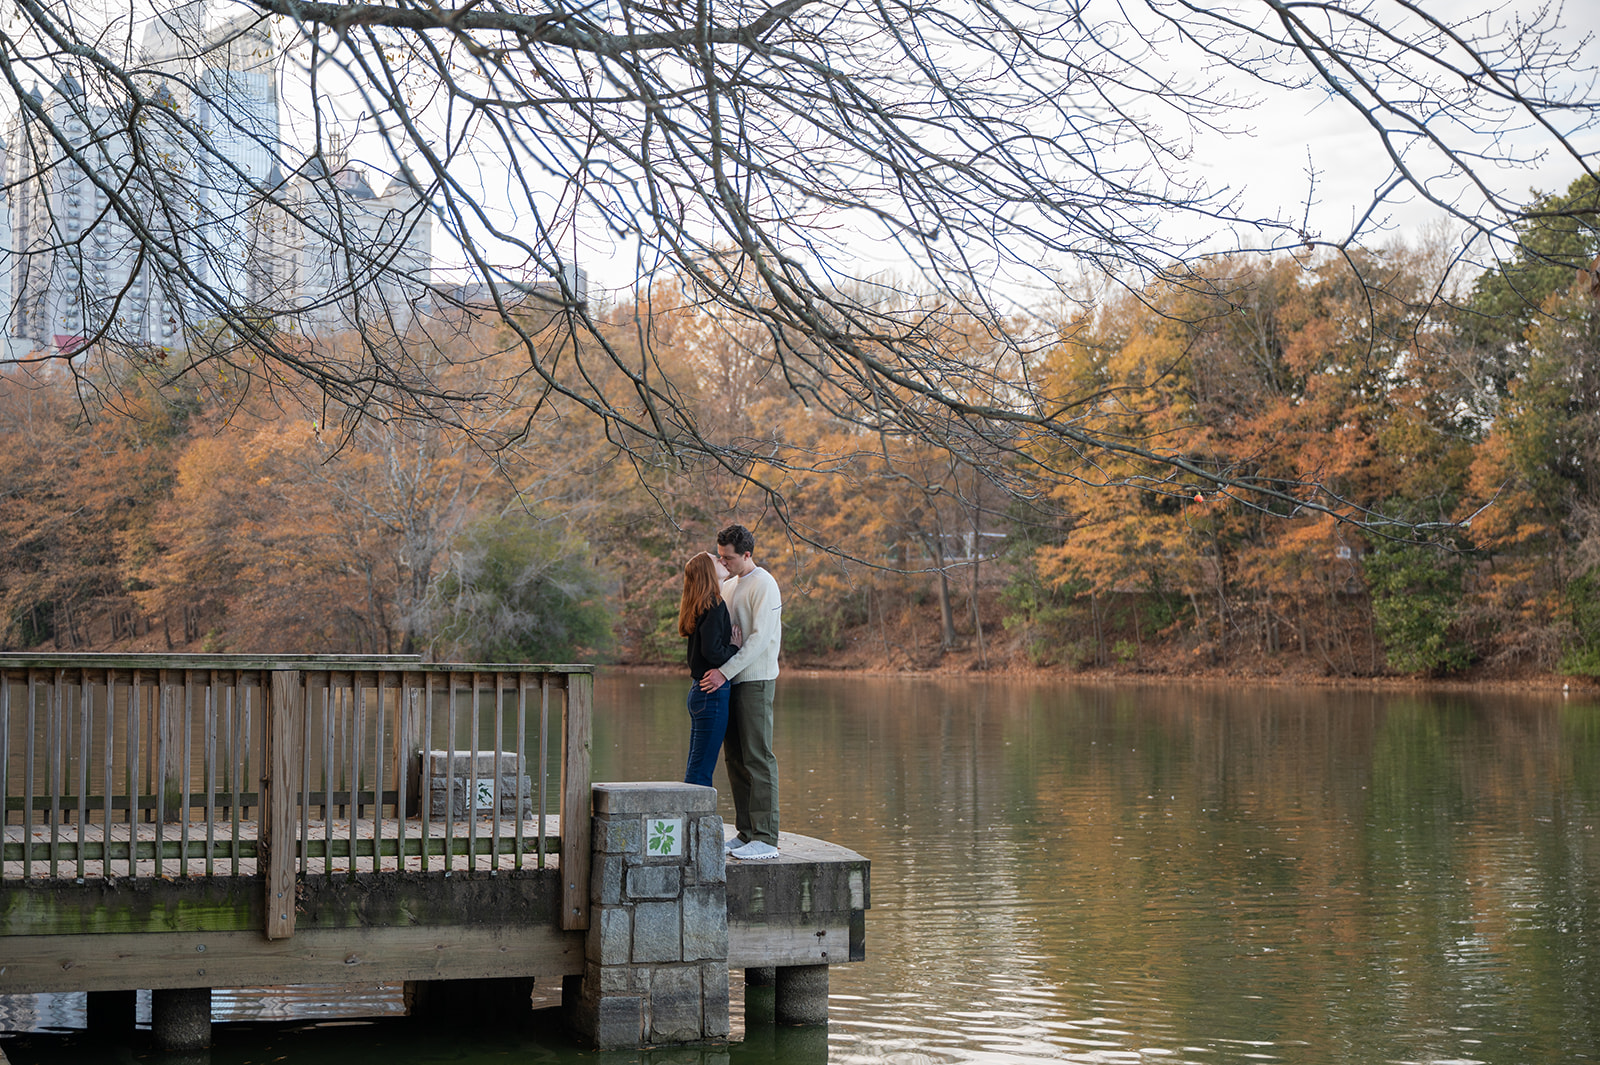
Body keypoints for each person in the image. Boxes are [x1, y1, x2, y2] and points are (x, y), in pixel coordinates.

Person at [698, 523, 783, 860]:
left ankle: (766, 837)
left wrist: (724, 672)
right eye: (720, 556)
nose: (723, 562)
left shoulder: (765, 584)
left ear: (747, 554)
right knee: (734, 758)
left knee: (757, 757)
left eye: (728, 557)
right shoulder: (729, 585)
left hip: (755, 681)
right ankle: (746, 832)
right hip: (730, 681)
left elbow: (760, 639)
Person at [679, 552, 740, 788]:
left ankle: (690, 809)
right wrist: (734, 648)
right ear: (708, 571)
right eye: (716, 559)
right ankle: (694, 812)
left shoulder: (701, 605)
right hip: (711, 694)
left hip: (700, 692)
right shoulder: (714, 604)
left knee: (697, 766)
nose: (722, 561)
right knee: (702, 770)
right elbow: (712, 652)